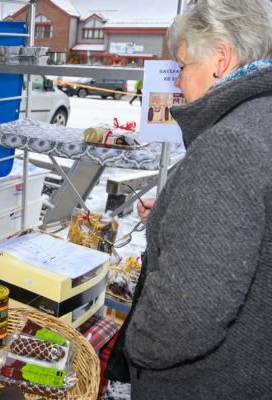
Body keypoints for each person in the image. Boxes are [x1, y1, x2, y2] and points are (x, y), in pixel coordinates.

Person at [119, 0, 272, 398]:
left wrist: (135, 347)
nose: (176, 82)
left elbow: (186, 313)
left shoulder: (231, 142)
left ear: (221, 59)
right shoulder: (262, 118)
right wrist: (176, 218)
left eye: (183, 66)